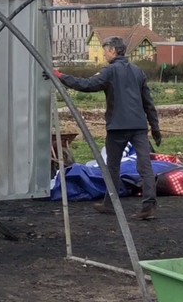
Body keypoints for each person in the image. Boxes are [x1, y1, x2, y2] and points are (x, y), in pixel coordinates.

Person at [52, 36, 162, 220]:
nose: (104, 54)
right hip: (138, 126)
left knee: (113, 166)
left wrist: (60, 76)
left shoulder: (110, 72)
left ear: (113, 51)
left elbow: (86, 85)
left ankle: (110, 203)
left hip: (117, 127)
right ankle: (148, 206)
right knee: (145, 166)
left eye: (106, 51)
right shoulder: (138, 72)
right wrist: (155, 128)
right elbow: (148, 104)